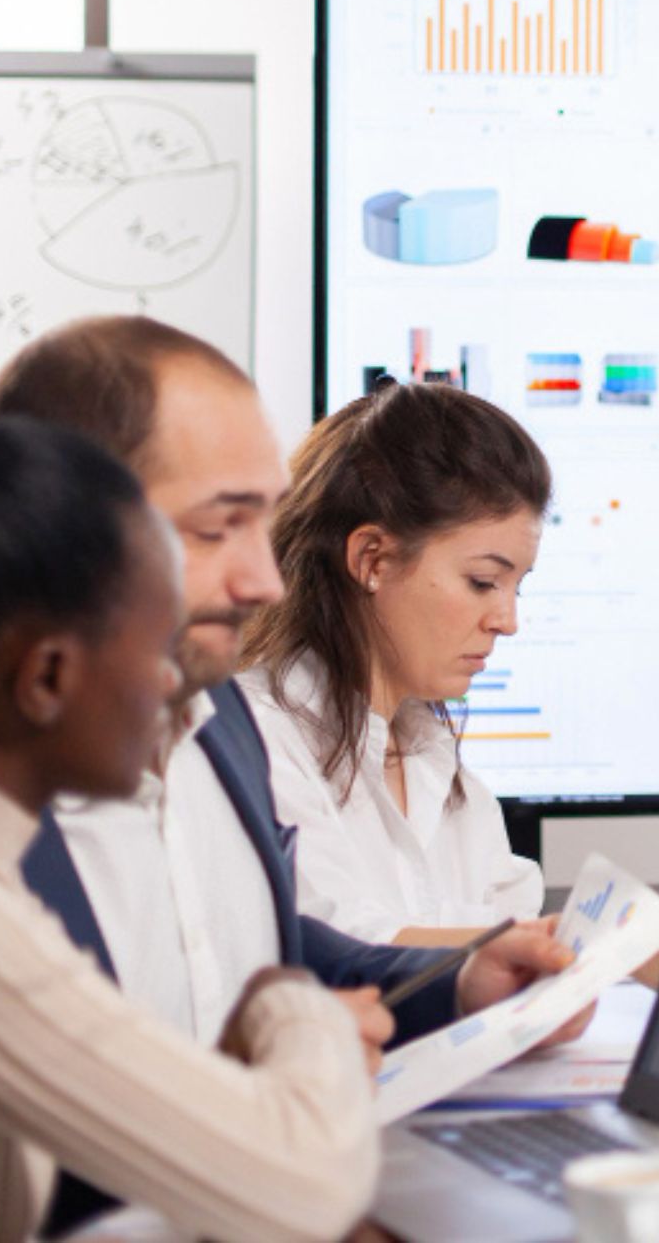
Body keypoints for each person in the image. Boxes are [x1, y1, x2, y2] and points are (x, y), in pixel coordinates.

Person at [0, 319, 573, 1036]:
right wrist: (305, 1060)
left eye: (261, 528)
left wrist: (464, 980)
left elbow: (294, 949)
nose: (266, 581)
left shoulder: (218, 727)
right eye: (215, 530)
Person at [0, 395, 379, 1242]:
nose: (177, 685)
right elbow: (306, 1188)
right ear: (48, 678)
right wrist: (291, 1005)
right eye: (155, 645)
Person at [238, 379, 552, 944]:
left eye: (515, 587)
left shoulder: (436, 759)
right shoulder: (256, 740)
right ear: (371, 559)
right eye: (483, 582)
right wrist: (588, 949)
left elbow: (518, 931)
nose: (507, 621)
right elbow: (336, 947)